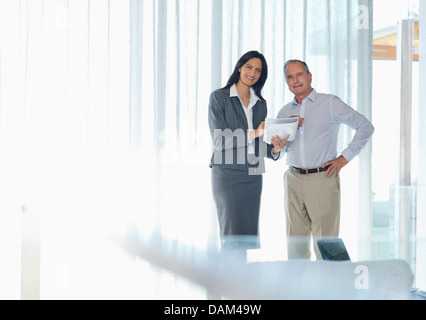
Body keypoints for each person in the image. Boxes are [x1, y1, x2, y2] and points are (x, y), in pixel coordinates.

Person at [271, 59, 374, 260]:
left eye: (299, 74)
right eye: (289, 77)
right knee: (295, 246)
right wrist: (277, 149)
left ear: (309, 77)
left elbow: (365, 126)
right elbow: (280, 151)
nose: (295, 80)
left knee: (326, 245)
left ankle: (333, 290)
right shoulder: (284, 112)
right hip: (292, 179)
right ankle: (300, 291)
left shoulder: (329, 103)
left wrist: (344, 158)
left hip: (321, 178)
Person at [208, 51, 284, 262]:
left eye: (258, 70)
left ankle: (239, 288)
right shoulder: (219, 97)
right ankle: (225, 289)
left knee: (245, 241)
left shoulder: (260, 103)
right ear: (239, 67)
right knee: (231, 238)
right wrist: (255, 133)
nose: (253, 73)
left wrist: (276, 149)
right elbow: (220, 142)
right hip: (228, 173)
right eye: (249, 67)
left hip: (253, 173)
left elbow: (258, 144)